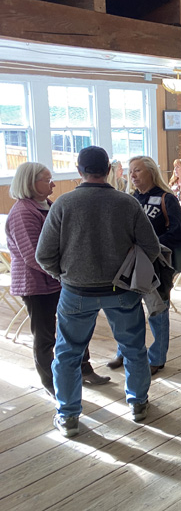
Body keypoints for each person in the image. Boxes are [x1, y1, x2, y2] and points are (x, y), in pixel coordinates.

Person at [36, 146, 161, 437]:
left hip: (76, 291)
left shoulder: (63, 204)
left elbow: (43, 255)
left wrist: (64, 275)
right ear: (108, 170)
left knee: (67, 354)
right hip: (122, 290)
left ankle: (68, 417)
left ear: (79, 171)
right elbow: (152, 248)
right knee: (133, 349)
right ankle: (138, 404)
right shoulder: (127, 204)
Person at [6, 162, 110, 398]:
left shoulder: (48, 205)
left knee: (76, 328)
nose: (52, 183)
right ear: (30, 183)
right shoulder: (23, 211)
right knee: (45, 337)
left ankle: (84, 370)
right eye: (47, 179)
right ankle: (51, 384)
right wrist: (63, 274)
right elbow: (34, 256)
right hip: (38, 285)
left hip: (59, 279)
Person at [105, 156, 181, 375]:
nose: (133, 175)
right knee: (126, 309)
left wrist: (149, 245)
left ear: (151, 172)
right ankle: (124, 352)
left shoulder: (166, 199)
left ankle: (157, 358)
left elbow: (179, 232)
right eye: (131, 171)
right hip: (129, 264)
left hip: (157, 265)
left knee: (157, 311)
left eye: (138, 171)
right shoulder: (129, 199)